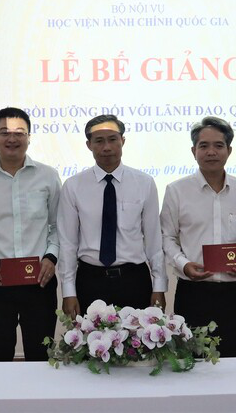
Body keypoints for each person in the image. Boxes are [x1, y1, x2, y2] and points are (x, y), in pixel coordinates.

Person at [0, 107, 60, 361]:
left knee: (40, 357)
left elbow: (57, 226)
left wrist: (51, 257)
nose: (12, 139)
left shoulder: (48, 176)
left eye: (19, 133)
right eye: (4, 132)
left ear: (29, 137)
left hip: (39, 281)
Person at [160, 117, 236, 357]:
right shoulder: (176, 190)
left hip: (234, 293)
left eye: (218, 145)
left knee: (234, 363)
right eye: (204, 146)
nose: (211, 152)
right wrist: (184, 264)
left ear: (229, 150)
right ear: (194, 151)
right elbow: (167, 237)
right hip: (193, 293)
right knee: (192, 365)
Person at [58, 114, 167, 318]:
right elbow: (68, 243)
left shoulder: (144, 183)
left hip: (134, 279)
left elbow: (154, 239)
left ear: (122, 141)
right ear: (89, 145)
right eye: (99, 141)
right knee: (88, 338)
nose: (106, 147)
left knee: (138, 338)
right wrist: (68, 291)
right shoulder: (73, 186)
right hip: (90, 279)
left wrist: (159, 285)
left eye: (112, 139)